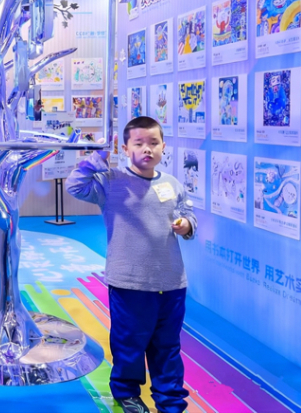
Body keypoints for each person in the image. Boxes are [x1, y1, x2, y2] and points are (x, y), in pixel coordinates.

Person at [66, 116, 196, 413]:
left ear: (163, 146)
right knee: (129, 342)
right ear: (125, 148)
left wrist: (186, 224)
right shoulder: (111, 182)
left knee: (168, 345)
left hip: (172, 282)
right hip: (129, 283)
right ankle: (127, 393)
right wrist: (98, 158)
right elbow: (75, 186)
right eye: (139, 143)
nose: (147, 149)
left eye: (153, 143)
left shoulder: (173, 184)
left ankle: (170, 398)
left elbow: (189, 215)